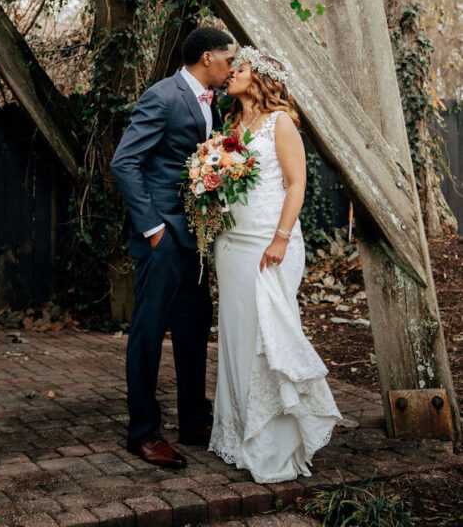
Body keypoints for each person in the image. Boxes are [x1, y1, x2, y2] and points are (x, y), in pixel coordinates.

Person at [209, 46, 341, 483]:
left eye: (239, 68)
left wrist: (281, 238)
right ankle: (238, 435)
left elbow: (296, 183)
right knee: (237, 334)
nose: (230, 74)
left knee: (269, 333)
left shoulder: (281, 123)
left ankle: (275, 444)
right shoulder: (232, 124)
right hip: (233, 243)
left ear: (260, 77)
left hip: (271, 242)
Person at [111, 26, 236, 469]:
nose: (231, 68)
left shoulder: (214, 103)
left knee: (194, 325)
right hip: (162, 238)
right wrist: (153, 230)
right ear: (207, 58)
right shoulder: (162, 97)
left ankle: (193, 419)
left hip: (194, 238)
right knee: (148, 333)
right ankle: (142, 434)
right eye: (227, 60)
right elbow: (124, 161)